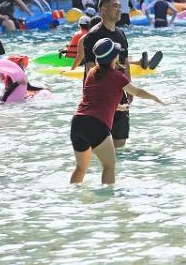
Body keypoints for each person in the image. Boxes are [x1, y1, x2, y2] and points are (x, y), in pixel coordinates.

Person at [70, 37, 165, 184]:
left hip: (78, 122)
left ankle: (73, 194)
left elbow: (95, 99)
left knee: (81, 168)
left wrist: (118, 107)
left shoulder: (92, 73)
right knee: (109, 166)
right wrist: (154, 97)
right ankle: (108, 197)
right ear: (114, 57)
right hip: (96, 124)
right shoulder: (117, 76)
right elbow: (137, 92)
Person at [82, 0, 133, 148]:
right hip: (100, 96)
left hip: (119, 93)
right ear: (103, 10)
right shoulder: (93, 35)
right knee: (100, 142)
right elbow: (90, 67)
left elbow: (125, 62)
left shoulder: (121, 34)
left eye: (119, 6)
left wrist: (129, 88)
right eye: (115, 6)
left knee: (120, 143)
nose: (119, 10)